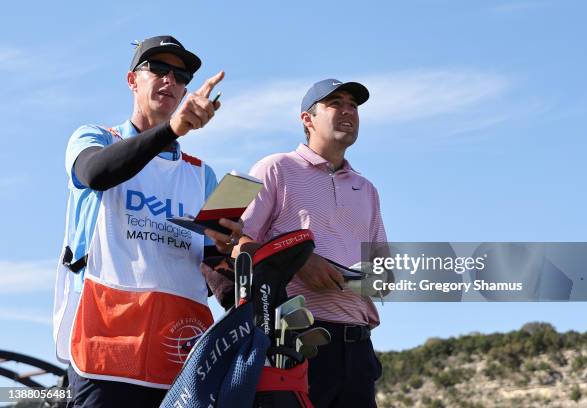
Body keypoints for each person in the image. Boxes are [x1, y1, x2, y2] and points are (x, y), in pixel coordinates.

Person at [53, 35, 242, 408]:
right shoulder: (94, 137)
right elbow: (96, 174)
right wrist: (173, 130)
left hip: (179, 351)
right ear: (131, 80)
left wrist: (233, 251)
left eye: (181, 74)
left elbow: (212, 264)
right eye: (157, 68)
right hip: (105, 347)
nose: (170, 80)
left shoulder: (202, 174)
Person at [237, 78, 387, 407]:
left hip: (358, 349)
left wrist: (371, 279)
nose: (348, 110)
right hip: (294, 344)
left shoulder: (367, 189)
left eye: (353, 105)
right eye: (336, 103)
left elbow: (384, 275)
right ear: (307, 118)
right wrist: (298, 261)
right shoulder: (274, 167)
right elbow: (233, 241)